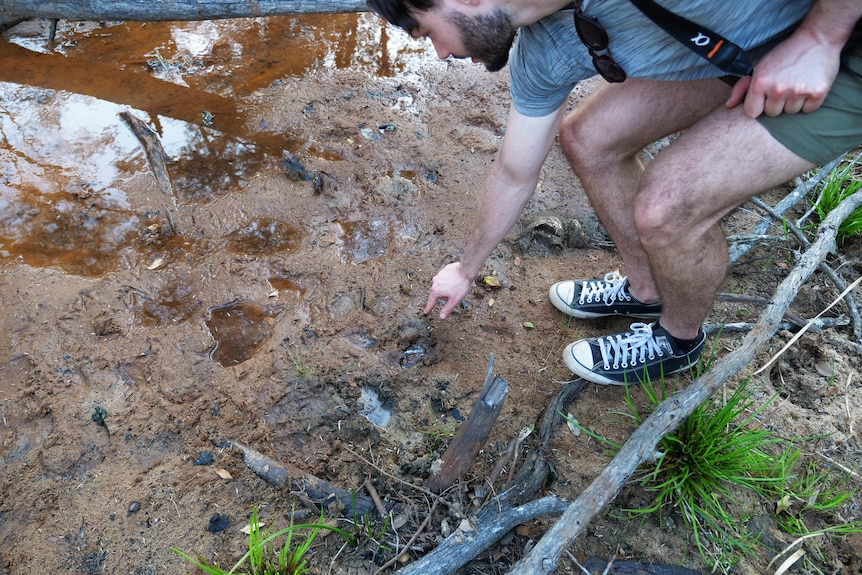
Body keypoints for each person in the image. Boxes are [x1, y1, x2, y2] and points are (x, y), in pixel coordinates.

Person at [366, 0, 862, 385]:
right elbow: (515, 173)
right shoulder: (541, 53)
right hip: (747, 49)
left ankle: (678, 340)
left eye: (425, 31)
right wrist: (465, 269)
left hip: (843, 47)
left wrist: (822, 35)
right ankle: (646, 293)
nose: (440, 54)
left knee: (666, 206)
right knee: (587, 138)